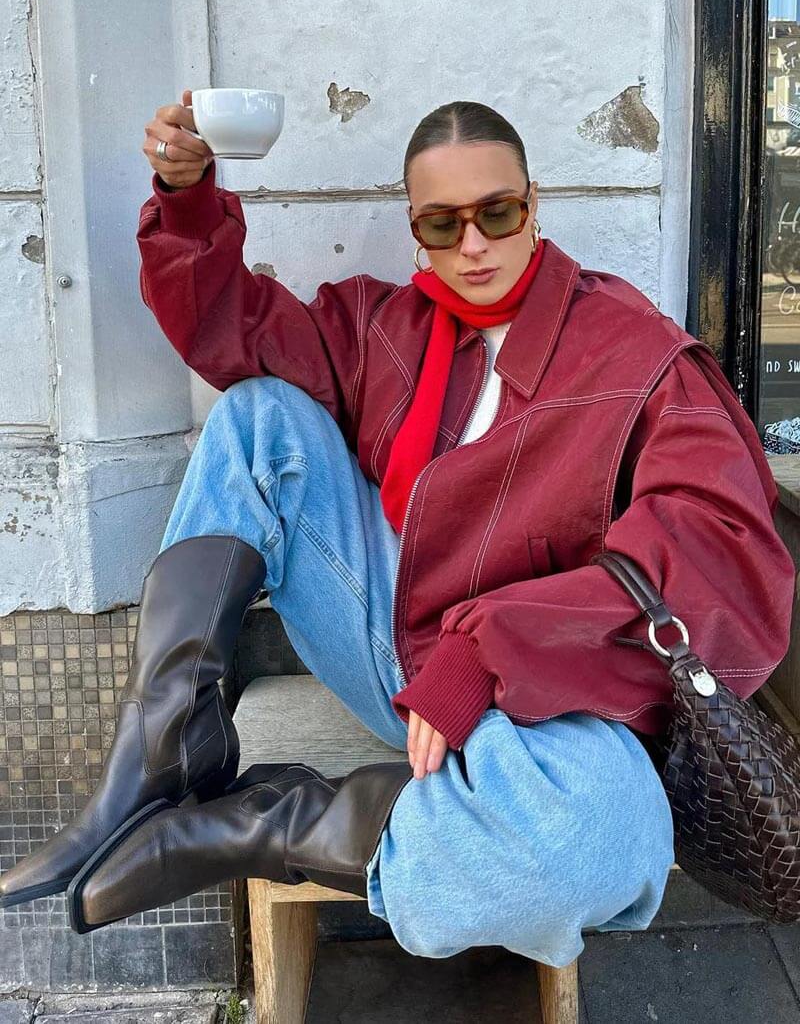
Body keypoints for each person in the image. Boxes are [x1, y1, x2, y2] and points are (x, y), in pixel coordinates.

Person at [1, 95, 794, 967]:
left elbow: (715, 541)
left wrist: (492, 649)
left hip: (550, 696)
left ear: (534, 203)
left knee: (598, 844)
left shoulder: (632, 352)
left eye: (497, 212)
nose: (474, 245)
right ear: (417, 230)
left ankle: (256, 823)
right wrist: (187, 200)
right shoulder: (387, 328)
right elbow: (235, 332)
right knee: (258, 418)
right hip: (398, 649)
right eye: (443, 224)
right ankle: (160, 755)